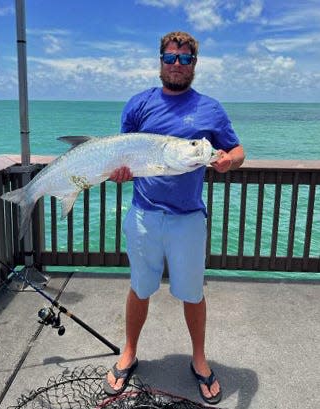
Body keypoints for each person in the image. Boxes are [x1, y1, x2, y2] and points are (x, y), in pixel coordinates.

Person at [103, 31, 245, 405]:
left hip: (188, 220)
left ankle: (199, 359)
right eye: (170, 58)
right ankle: (130, 351)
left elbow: (237, 148)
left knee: (193, 294)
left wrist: (231, 161)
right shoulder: (138, 104)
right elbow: (123, 153)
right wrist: (120, 171)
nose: (176, 65)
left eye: (184, 60)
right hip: (144, 216)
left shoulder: (211, 108)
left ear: (194, 64)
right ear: (160, 60)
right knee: (139, 287)